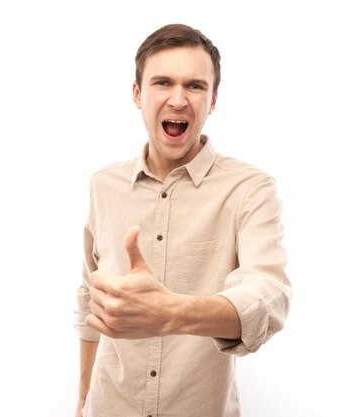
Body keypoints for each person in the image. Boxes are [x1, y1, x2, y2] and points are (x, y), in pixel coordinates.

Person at [73, 23, 291, 417]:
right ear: (138, 94)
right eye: (162, 82)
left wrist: (173, 311)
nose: (178, 99)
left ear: (213, 100)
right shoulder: (102, 185)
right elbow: (89, 298)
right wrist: (83, 396)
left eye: (194, 86)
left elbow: (267, 296)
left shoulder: (250, 189)